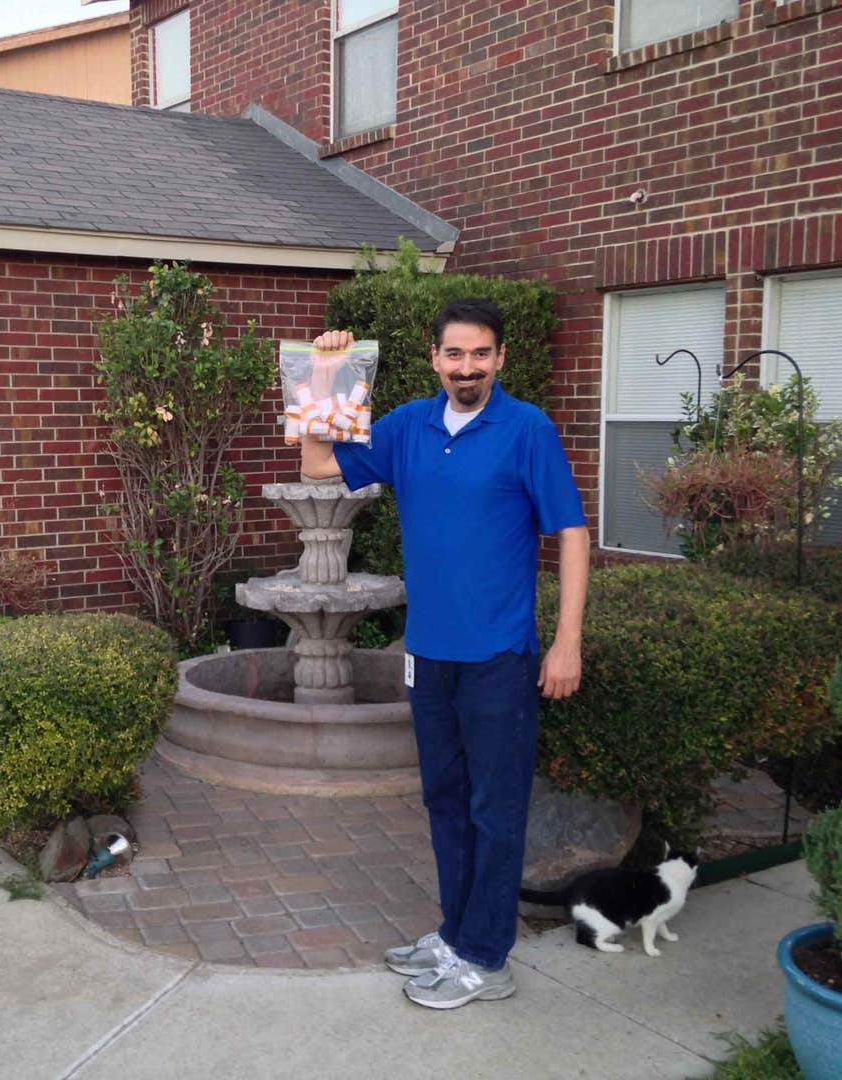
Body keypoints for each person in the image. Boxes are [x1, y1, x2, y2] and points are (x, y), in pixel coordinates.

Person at [303, 297, 589, 1010]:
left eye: (480, 354)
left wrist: (566, 641)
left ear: (499, 359)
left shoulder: (528, 429)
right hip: (427, 654)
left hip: (499, 656)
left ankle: (487, 959)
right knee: (445, 802)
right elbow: (316, 468)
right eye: (455, 354)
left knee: (496, 810)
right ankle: (458, 933)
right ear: (435, 359)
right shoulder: (407, 427)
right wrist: (326, 376)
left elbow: (573, 534)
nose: (468, 367)